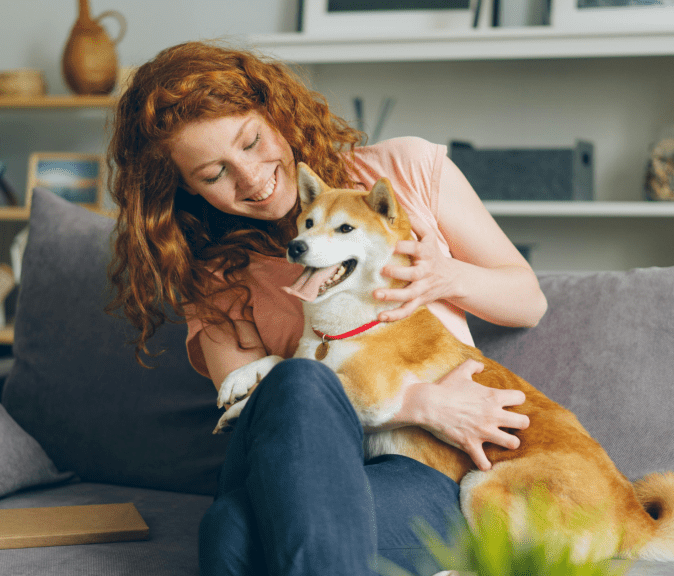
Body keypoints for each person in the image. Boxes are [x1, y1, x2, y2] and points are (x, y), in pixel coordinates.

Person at [106, 40, 548, 576]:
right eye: (213, 174)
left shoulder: (403, 172)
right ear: (184, 189)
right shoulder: (215, 278)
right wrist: (419, 406)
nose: (251, 177)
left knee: (232, 533)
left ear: (277, 115)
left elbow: (527, 300)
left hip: (421, 469)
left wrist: (446, 275)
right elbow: (260, 413)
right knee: (297, 382)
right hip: (291, 465)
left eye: (251, 142)